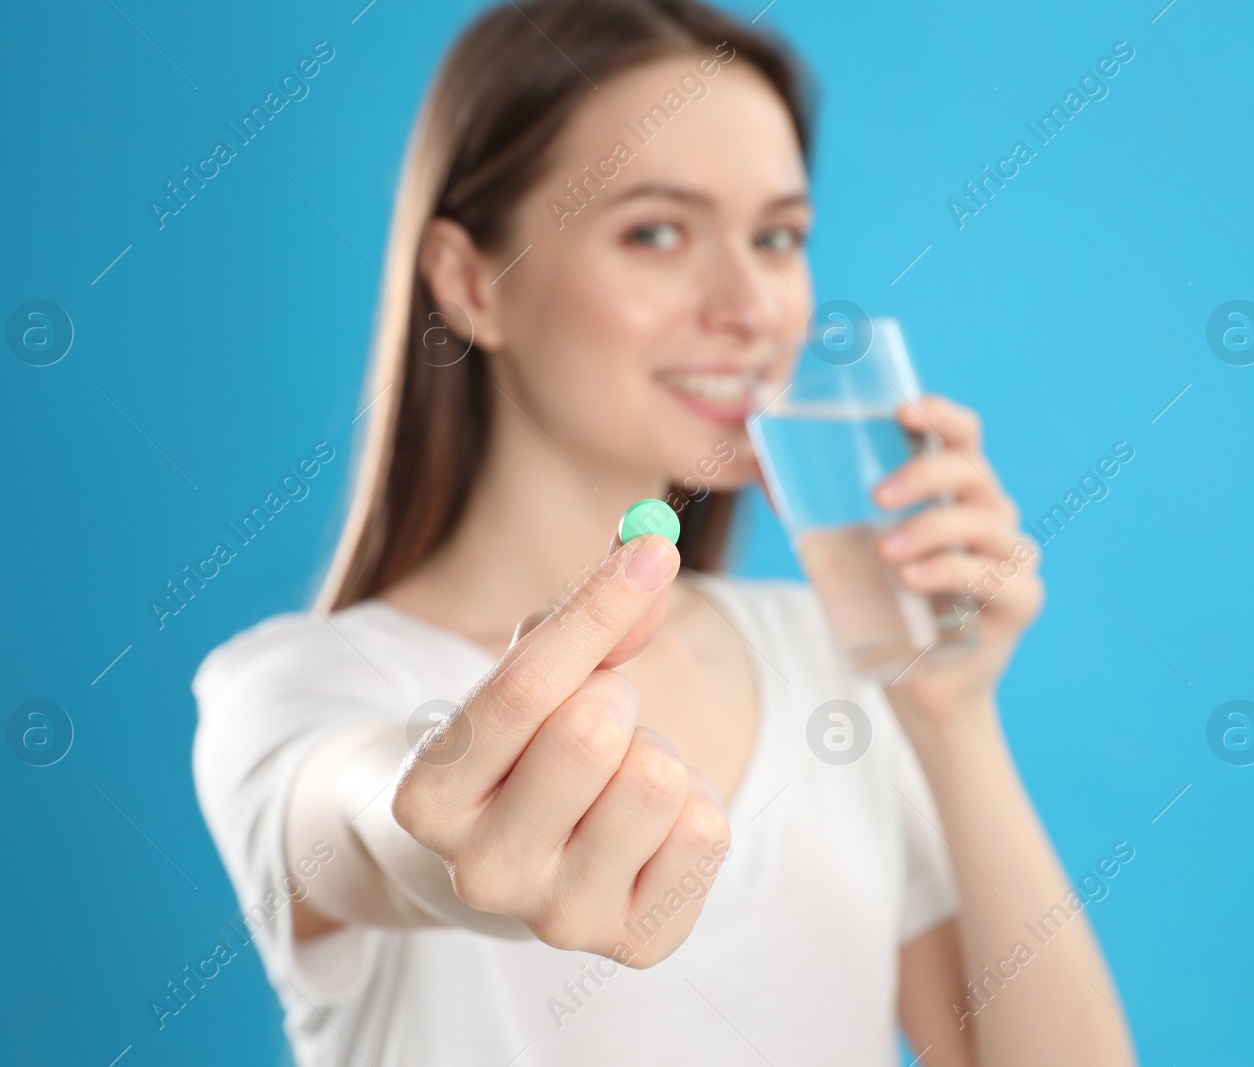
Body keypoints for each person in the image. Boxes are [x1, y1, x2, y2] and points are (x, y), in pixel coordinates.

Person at [191, 1, 1137, 1063]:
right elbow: (370, 819)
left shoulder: (830, 661)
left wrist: (950, 712)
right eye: (656, 231)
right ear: (470, 283)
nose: (751, 306)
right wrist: (453, 831)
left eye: (777, 237)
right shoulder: (290, 686)